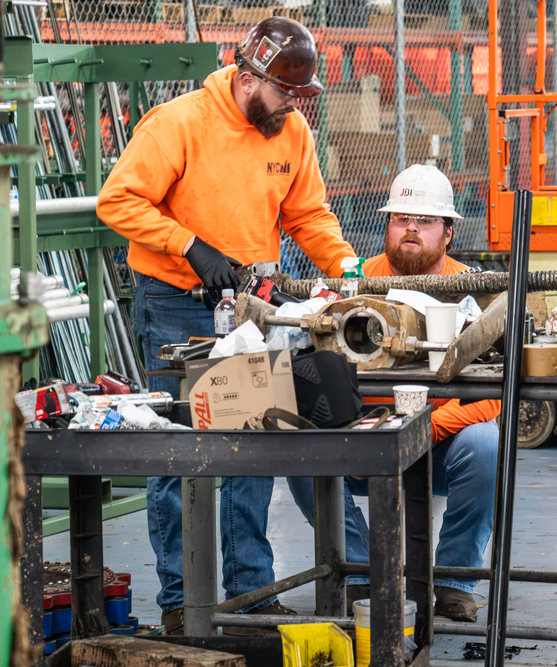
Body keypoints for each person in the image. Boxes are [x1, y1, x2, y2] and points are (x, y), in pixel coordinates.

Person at [96, 18, 356, 635]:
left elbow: (308, 213)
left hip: (254, 307)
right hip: (179, 305)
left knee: (252, 445)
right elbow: (119, 200)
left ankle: (250, 594)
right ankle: (182, 602)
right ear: (246, 79)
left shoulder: (290, 131)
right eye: (285, 93)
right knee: (181, 452)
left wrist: (346, 269)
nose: (295, 105)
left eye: (300, 95)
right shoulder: (178, 124)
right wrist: (189, 246)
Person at [288, 165, 500, 623]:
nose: (410, 229)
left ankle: (453, 582)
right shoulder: (354, 284)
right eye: (401, 218)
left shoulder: (474, 291)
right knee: (301, 455)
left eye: (423, 221)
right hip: (364, 441)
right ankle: (364, 576)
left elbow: (497, 396)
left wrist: (428, 428)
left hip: (440, 444)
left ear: (447, 232)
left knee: (487, 445)